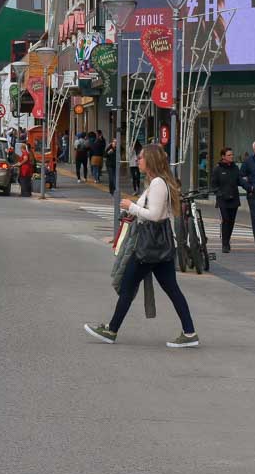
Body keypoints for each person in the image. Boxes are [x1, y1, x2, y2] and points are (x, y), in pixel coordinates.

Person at [84, 144, 199, 348]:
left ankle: (111, 330)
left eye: (141, 157)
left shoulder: (157, 184)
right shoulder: (158, 182)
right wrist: (134, 209)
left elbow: (154, 215)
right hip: (159, 247)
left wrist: (132, 207)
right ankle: (189, 332)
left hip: (149, 247)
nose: (138, 160)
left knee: (128, 286)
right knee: (172, 290)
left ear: (151, 160)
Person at [211, 147, 242, 253]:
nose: (231, 156)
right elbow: (214, 185)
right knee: (225, 220)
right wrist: (219, 193)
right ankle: (225, 244)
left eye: (232, 155)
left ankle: (227, 240)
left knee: (231, 222)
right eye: (229, 155)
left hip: (234, 199)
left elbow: (240, 181)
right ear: (223, 157)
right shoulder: (217, 169)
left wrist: (250, 187)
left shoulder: (235, 168)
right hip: (222, 200)